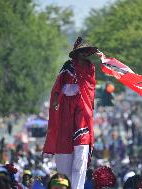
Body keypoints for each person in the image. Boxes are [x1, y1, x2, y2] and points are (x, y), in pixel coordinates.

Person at [43, 37, 98, 189]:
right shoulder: (68, 66)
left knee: (81, 150)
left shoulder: (90, 67)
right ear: (77, 53)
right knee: (65, 147)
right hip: (66, 107)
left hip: (82, 106)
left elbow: (91, 86)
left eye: (86, 51)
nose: (84, 54)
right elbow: (58, 84)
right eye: (82, 51)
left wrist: (88, 101)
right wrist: (55, 100)